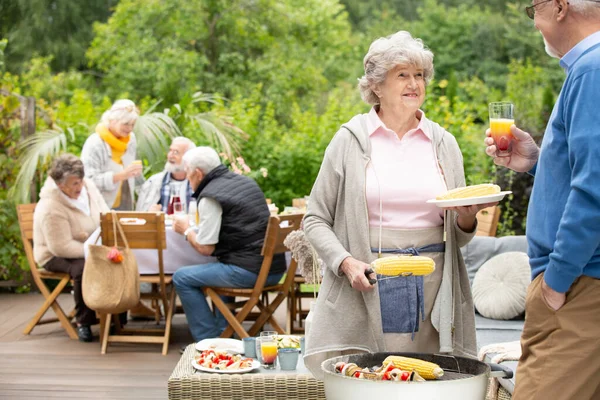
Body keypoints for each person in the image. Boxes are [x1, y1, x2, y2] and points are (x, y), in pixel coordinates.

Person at [303, 31, 496, 379]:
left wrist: (467, 220)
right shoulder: (349, 140)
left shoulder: (443, 143)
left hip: (435, 286)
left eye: (419, 74)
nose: (414, 83)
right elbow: (315, 218)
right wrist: (345, 262)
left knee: (429, 380)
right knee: (368, 381)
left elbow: (459, 235)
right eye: (402, 74)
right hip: (368, 282)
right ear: (376, 85)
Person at [484, 2, 600, 399]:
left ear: (560, 6)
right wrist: (536, 161)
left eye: (534, 7)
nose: (534, 21)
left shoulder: (592, 69)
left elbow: (595, 190)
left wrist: (555, 281)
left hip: (580, 285)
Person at [171, 147, 285, 341]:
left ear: (198, 173)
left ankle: (208, 340)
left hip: (250, 272)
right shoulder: (245, 182)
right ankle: (226, 333)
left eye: (189, 176)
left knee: (181, 277)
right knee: (220, 267)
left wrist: (187, 230)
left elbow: (206, 248)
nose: (189, 182)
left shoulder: (210, 196)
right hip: (274, 270)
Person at [33, 154, 110, 342]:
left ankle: (114, 318)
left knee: (116, 259)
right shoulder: (50, 206)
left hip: (90, 246)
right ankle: (84, 322)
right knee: (83, 268)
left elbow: (105, 213)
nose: (80, 186)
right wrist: (95, 252)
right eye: (74, 184)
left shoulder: (88, 187)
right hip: (54, 254)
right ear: (60, 185)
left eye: (80, 181)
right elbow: (61, 246)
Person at [81, 99, 143, 211]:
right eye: (125, 124)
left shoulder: (131, 140)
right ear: (112, 121)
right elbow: (88, 180)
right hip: (99, 207)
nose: (129, 128)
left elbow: (135, 175)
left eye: (132, 124)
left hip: (125, 205)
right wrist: (120, 175)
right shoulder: (95, 143)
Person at [135, 137, 196, 212]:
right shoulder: (153, 182)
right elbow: (140, 214)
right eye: (170, 151)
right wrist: (150, 213)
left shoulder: (196, 183)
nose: (170, 155)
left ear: (188, 158)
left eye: (176, 152)